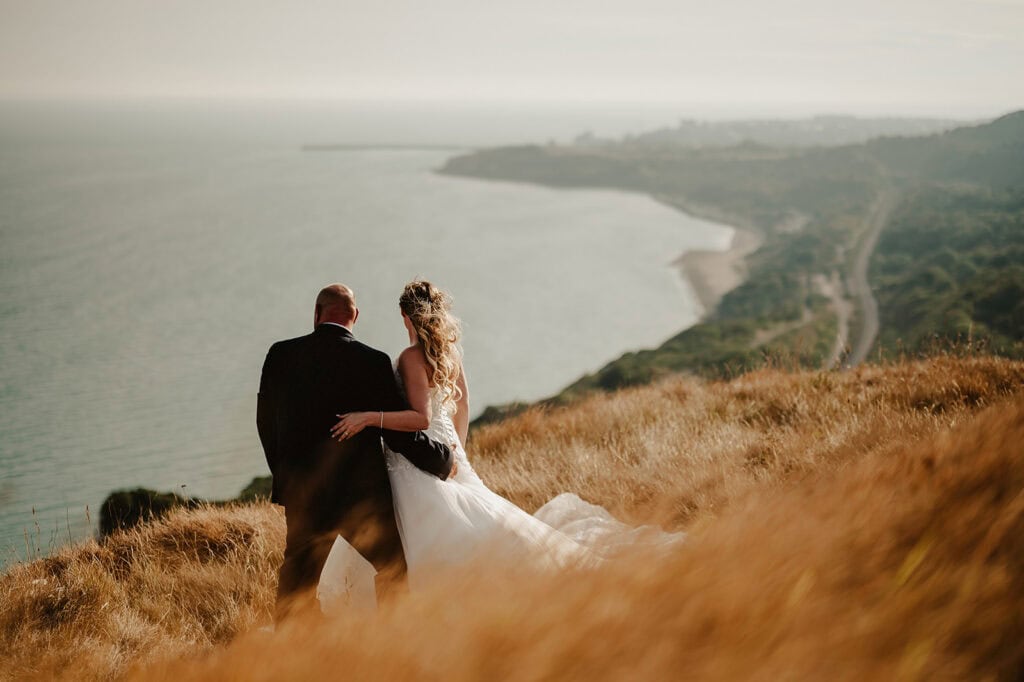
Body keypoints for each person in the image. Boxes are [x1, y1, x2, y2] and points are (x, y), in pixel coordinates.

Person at [330, 280, 683, 594]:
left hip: (419, 459)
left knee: (439, 529)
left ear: (405, 317)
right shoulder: (448, 353)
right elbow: (463, 403)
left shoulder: (409, 357)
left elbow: (420, 418)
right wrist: (456, 448)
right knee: (478, 520)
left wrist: (369, 418)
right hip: (449, 446)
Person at [257, 283, 454, 622]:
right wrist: (439, 457)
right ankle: (393, 646)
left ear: (317, 314)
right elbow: (394, 434)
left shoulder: (281, 355)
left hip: (305, 494)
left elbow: (265, 424)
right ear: (355, 317)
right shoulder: (371, 361)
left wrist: (287, 479)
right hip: (361, 499)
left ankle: (289, 658)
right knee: (392, 570)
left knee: (296, 584)